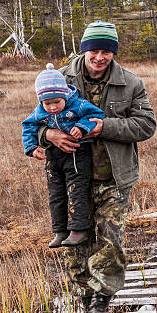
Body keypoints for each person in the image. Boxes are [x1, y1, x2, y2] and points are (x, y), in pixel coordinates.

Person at [37, 21, 156, 313]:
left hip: (112, 177)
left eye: (106, 51)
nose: (100, 57)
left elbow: (146, 125)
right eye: (94, 51)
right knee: (76, 239)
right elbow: (36, 119)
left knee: (110, 240)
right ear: (83, 49)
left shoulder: (131, 83)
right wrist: (49, 135)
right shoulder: (60, 79)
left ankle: (101, 304)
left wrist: (106, 126)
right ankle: (85, 299)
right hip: (72, 176)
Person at [22, 63, 104, 248]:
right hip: (53, 157)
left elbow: (97, 114)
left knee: (76, 190)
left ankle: (78, 230)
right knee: (56, 194)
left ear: (65, 96)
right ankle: (60, 231)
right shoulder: (40, 111)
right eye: (47, 103)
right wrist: (32, 148)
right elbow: (28, 126)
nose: (51, 108)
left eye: (56, 103)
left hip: (76, 154)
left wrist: (83, 127)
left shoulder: (78, 104)